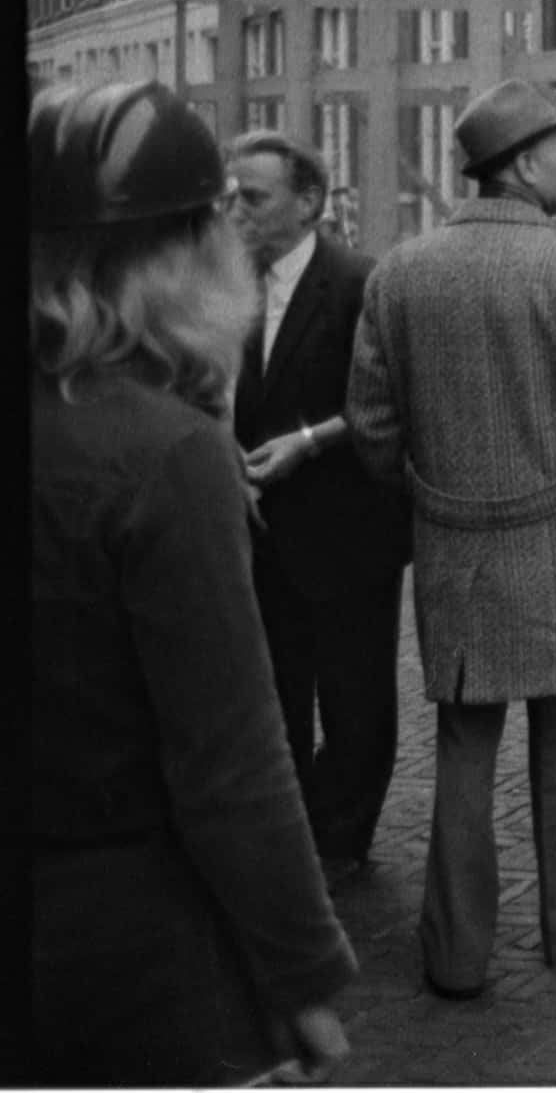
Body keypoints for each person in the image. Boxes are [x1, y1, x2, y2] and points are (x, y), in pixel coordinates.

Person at [23, 81, 355, 1084]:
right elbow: (232, 761)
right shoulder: (162, 453)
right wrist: (305, 969)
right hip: (126, 949)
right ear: (184, 250)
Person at [345, 78, 556, 999]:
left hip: (453, 546)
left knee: (462, 747)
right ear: (524, 165)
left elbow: (368, 425)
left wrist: (430, 490)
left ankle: (455, 952)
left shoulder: (399, 271)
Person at [225, 129, 411, 887]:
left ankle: (341, 843)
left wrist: (309, 441)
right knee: (274, 691)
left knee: (355, 691)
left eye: (254, 197)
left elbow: (394, 400)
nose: (236, 211)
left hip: (347, 528)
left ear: (307, 204)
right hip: (259, 528)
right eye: (230, 196)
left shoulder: (361, 283)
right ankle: (292, 835)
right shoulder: (227, 285)